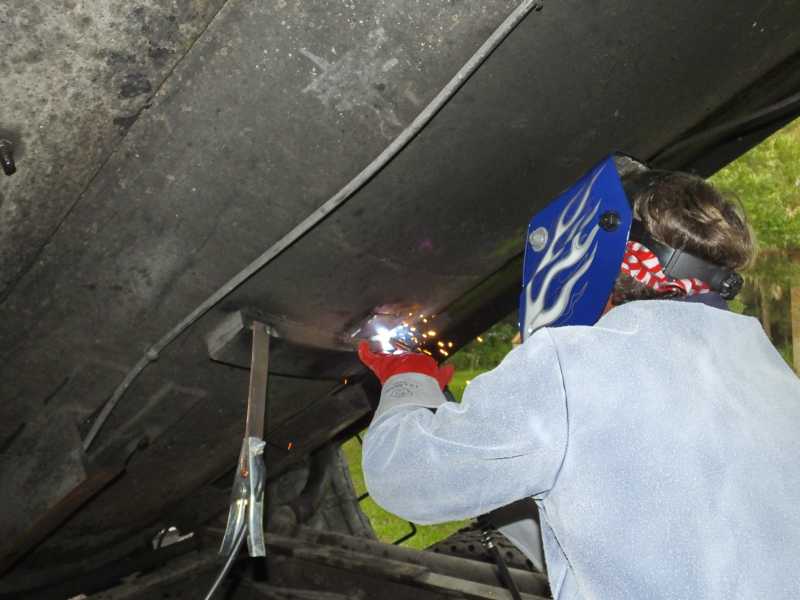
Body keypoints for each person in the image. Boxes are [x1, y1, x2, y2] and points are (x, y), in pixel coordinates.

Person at [357, 155, 800, 599]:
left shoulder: (574, 364)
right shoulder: (775, 380)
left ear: (596, 250)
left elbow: (408, 479)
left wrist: (406, 377)